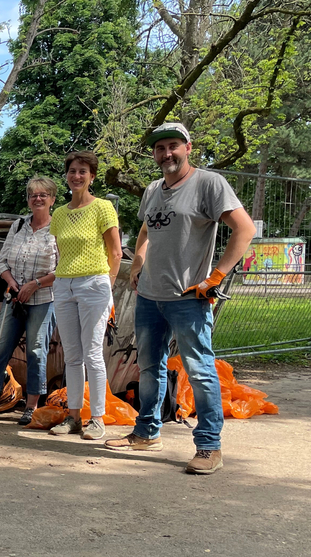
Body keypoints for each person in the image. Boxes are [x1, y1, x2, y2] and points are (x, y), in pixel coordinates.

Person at [105, 123, 255, 475]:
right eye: (159, 148)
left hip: (188, 298)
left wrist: (216, 277)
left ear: (188, 147)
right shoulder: (154, 190)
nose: (166, 153)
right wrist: (138, 263)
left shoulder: (209, 184)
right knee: (149, 369)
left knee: (200, 371)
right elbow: (144, 230)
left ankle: (208, 446)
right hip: (149, 298)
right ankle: (146, 432)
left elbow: (244, 229)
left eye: (173, 145)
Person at [0, 177, 58, 425]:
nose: (37, 199)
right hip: (13, 298)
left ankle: (31, 407)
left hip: (43, 299)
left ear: (52, 198)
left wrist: (34, 284)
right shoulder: (18, 226)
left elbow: (62, 269)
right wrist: (13, 283)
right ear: (28, 199)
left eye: (43, 194)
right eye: (33, 195)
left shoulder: (58, 228)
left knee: (36, 351)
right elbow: (1, 262)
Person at [47, 151, 122, 441]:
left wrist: (108, 286)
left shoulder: (103, 208)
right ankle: (74, 417)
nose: (76, 176)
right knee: (73, 356)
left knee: (93, 353)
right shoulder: (60, 214)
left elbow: (115, 252)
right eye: (72, 171)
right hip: (64, 285)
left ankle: (98, 419)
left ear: (92, 176)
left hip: (95, 284)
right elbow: (60, 253)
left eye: (82, 171)